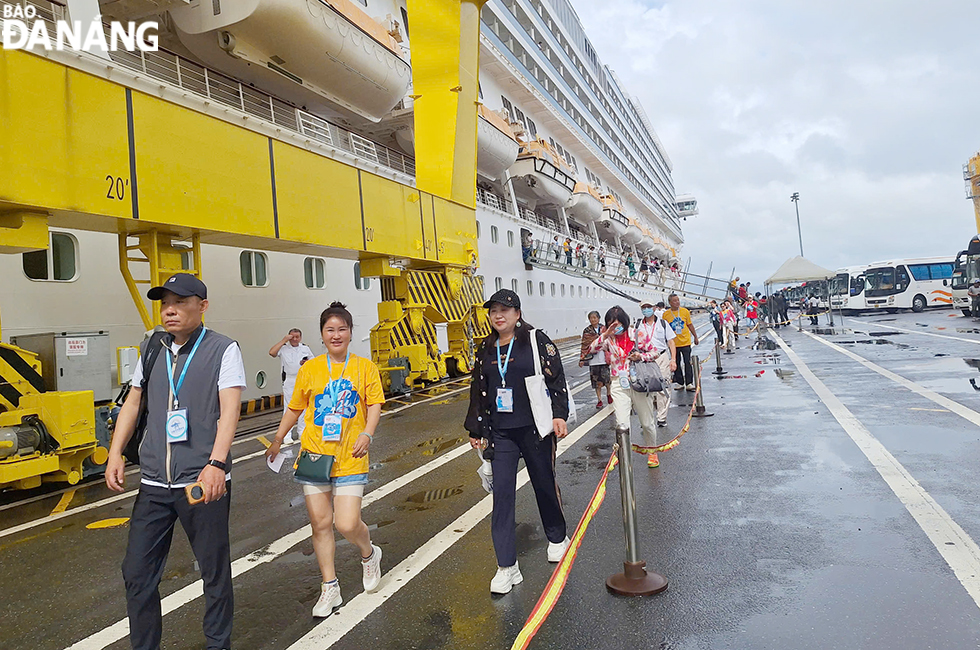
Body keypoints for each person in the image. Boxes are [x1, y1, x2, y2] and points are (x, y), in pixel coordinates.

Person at [105, 273, 246, 650]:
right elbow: (133, 401)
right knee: (136, 573)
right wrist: (115, 452)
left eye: (181, 301)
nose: (170, 310)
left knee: (213, 572)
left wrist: (217, 464)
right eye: (165, 302)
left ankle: (218, 645)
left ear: (202, 306)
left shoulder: (223, 349)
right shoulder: (152, 347)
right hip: (153, 482)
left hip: (200, 481)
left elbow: (229, 410)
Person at [265, 302, 385, 618]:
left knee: (345, 522)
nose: (336, 335)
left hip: (351, 456)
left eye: (341, 329)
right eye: (330, 330)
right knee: (320, 524)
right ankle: (329, 586)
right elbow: (294, 407)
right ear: (322, 334)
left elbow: (374, 404)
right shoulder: (310, 369)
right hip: (316, 456)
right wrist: (278, 438)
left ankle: (369, 553)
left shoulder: (364, 368)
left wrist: (368, 434)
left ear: (349, 333)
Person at [465, 289, 570, 594]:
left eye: (505, 310)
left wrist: (559, 414)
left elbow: (556, 378)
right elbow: (478, 388)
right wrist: (477, 429)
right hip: (501, 432)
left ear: (517, 313)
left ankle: (556, 536)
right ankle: (507, 566)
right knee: (501, 498)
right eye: (494, 311)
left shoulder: (536, 341)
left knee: (544, 483)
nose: (499, 315)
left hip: (535, 427)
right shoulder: (485, 347)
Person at [587, 305, 671, 468]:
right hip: (618, 382)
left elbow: (655, 352)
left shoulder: (637, 333)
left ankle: (652, 451)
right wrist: (605, 334)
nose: (616, 328)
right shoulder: (608, 338)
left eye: (618, 324)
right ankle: (622, 454)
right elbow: (591, 349)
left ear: (625, 322)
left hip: (639, 380)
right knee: (622, 424)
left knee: (647, 422)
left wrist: (641, 356)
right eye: (612, 324)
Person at [633, 300, 677, 467]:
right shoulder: (638, 325)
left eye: (648, 307)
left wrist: (673, 359)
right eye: (643, 308)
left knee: (662, 387)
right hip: (644, 358)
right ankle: (649, 417)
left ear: (653, 308)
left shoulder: (663, 324)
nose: (646, 310)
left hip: (660, 356)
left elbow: (671, 342)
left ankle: (661, 417)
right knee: (645, 387)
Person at [269, 329, 314, 444]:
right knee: (289, 407)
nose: (294, 339)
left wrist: (306, 363)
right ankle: (287, 435)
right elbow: (272, 353)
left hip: (303, 379)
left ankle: (301, 432)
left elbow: (313, 362)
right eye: (292, 337)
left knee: (303, 407)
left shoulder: (305, 348)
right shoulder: (283, 348)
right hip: (290, 379)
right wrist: (284, 340)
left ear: (301, 337)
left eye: (297, 337)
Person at [663, 294, 699, 391]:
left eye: (678, 300)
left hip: (685, 341)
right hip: (674, 343)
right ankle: (680, 382)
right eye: (674, 301)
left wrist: (695, 336)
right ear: (670, 302)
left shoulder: (685, 311)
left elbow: (690, 325)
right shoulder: (666, 314)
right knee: (676, 362)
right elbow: (664, 329)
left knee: (687, 362)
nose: (677, 302)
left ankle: (689, 382)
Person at [579, 311, 612, 410]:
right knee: (596, 381)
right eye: (591, 318)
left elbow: (610, 341)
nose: (593, 320)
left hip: (603, 357)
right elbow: (584, 345)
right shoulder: (587, 331)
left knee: (607, 380)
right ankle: (599, 400)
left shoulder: (604, 328)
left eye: (595, 318)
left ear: (599, 318)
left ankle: (609, 394)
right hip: (593, 359)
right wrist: (582, 359)